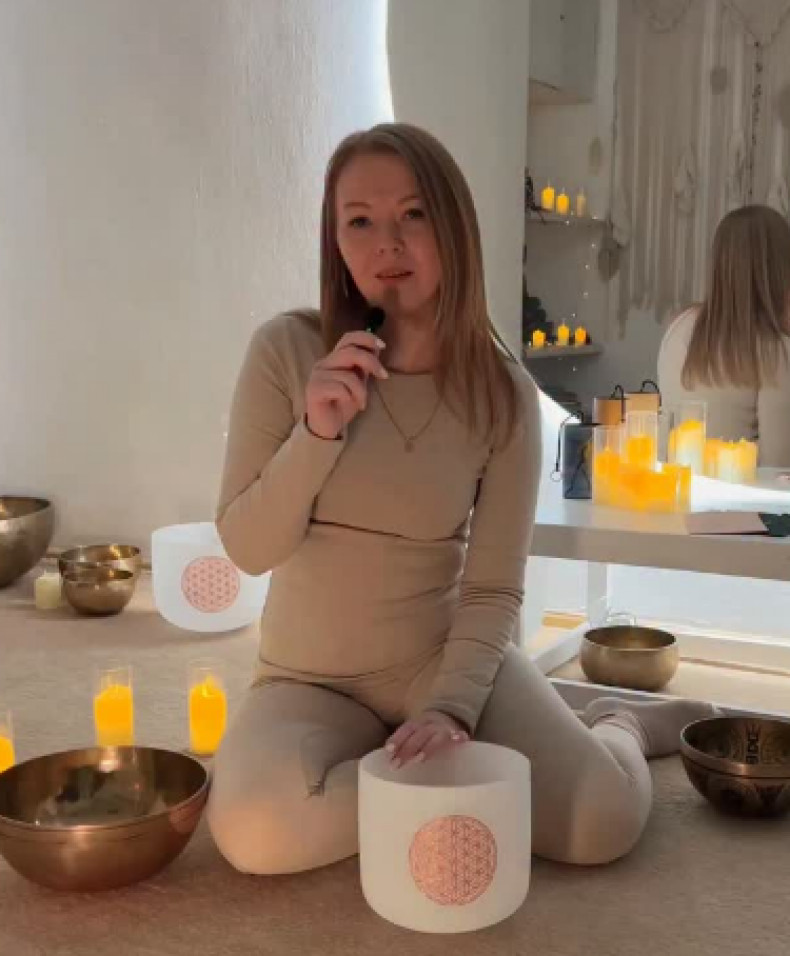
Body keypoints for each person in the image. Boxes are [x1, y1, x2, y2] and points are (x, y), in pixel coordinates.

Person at [207, 122, 714, 875]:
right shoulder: (285, 352)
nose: (388, 243)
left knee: (600, 822)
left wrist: (452, 708)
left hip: (439, 664)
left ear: (454, 227)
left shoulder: (502, 393)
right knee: (255, 833)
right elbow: (249, 551)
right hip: (306, 678)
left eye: (413, 214)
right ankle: (441, 779)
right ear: (336, 243)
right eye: (359, 222)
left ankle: (619, 724)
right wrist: (316, 432)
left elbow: (492, 586)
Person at [658, 204, 790, 467]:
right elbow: (780, 464)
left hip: (674, 486)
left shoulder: (678, 327)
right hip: (739, 492)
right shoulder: (775, 349)